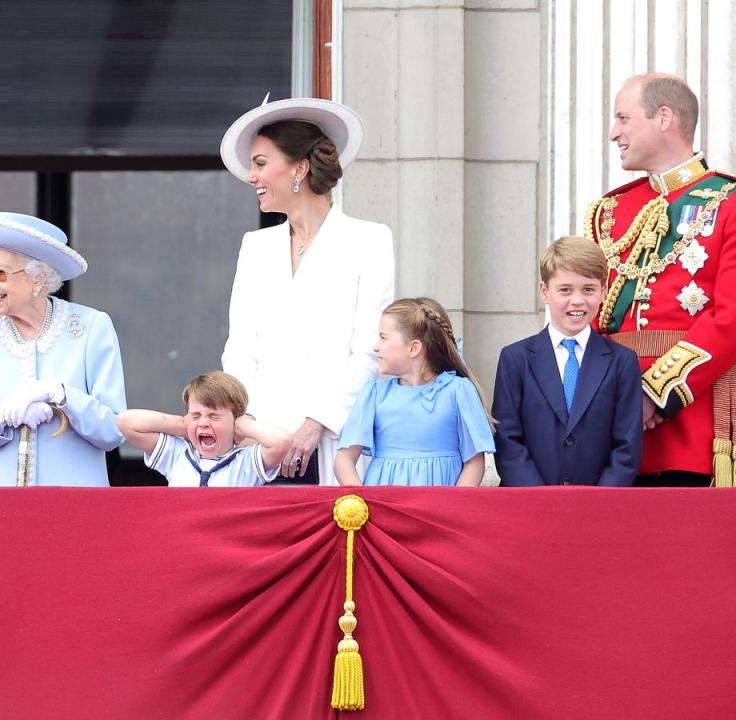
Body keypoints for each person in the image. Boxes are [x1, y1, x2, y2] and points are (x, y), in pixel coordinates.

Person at [220, 97, 395, 486]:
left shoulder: (369, 240)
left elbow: (369, 349)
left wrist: (316, 423)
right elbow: (240, 346)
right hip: (259, 447)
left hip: (333, 443)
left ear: (299, 167)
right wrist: (248, 424)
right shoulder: (255, 246)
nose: (251, 177)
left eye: (261, 163)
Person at [585, 73, 736, 487]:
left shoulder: (729, 203)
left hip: (689, 420)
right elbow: (592, 317)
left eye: (623, 118)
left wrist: (656, 392)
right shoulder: (610, 211)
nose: (614, 133)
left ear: (664, 117)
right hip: (608, 417)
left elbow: (730, 318)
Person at [0, 212, 126, 486]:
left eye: (0, 272)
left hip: (76, 508)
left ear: (38, 279)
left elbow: (113, 432)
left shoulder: (91, 327)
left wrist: (64, 396)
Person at [492, 237, 642, 486]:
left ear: (603, 291)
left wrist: (599, 501)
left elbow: (627, 445)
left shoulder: (622, 362)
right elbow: (508, 440)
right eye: (565, 290)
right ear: (545, 292)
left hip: (598, 507)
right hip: (529, 504)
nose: (577, 300)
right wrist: (539, 498)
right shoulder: (515, 359)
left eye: (588, 289)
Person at [334, 298, 494, 487]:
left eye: (383, 338)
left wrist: (453, 507)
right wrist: (362, 503)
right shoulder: (374, 395)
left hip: (438, 509)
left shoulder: (458, 391)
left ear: (413, 348)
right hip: (385, 508)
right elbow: (343, 460)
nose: (375, 346)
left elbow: (474, 461)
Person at [117, 371, 290, 487]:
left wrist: (243, 426)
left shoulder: (245, 462)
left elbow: (282, 441)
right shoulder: (177, 454)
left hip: (224, 540)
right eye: (196, 415)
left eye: (214, 416)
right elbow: (125, 422)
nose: (204, 423)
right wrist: (183, 425)